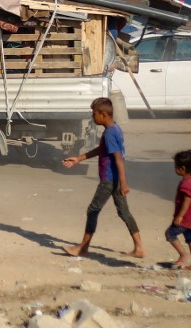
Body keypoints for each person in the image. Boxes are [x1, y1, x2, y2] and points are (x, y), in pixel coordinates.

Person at [61, 97, 145, 259]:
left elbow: (118, 159)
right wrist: (79, 158)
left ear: (104, 115)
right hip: (115, 180)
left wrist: (123, 183)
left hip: (109, 179)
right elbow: (101, 150)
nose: (93, 117)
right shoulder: (115, 129)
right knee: (124, 212)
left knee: (93, 210)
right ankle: (139, 248)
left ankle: (83, 248)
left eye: (94, 114)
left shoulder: (109, 133)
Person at [166, 150, 191, 271]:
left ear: (182, 168)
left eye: (176, 166)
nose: (174, 169)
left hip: (185, 219)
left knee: (170, 233)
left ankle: (183, 254)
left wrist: (180, 216)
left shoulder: (186, 184)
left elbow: (187, 201)